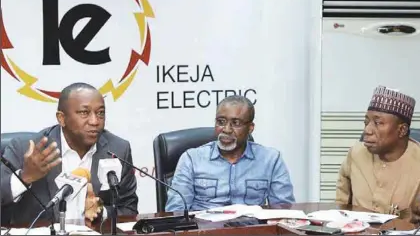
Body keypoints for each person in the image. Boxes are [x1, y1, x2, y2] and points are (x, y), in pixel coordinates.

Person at [0, 82, 138, 225]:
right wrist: (24, 177)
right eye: (84, 113)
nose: (95, 121)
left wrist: (100, 213)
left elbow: (128, 209)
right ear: (61, 118)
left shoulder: (118, 149)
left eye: (100, 113)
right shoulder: (26, 150)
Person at [335, 85, 420, 222]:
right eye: (366, 122)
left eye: (378, 123)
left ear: (402, 130)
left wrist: (412, 216)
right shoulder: (356, 154)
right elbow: (341, 209)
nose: (367, 130)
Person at [165, 95, 295, 211]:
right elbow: (177, 211)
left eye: (236, 123)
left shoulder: (271, 159)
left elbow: (283, 209)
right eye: (221, 122)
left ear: (250, 128)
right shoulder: (192, 159)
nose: (226, 129)